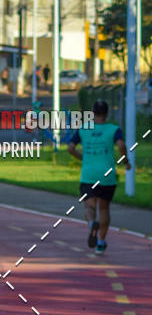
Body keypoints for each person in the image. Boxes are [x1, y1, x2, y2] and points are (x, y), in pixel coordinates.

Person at [67, 99, 131, 255]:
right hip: (107, 175)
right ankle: (101, 243)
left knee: (89, 206)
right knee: (104, 208)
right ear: (107, 113)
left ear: (93, 113)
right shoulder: (114, 129)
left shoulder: (83, 129)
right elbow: (121, 145)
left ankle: (91, 225)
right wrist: (125, 161)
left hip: (88, 175)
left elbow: (70, 147)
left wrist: (82, 157)